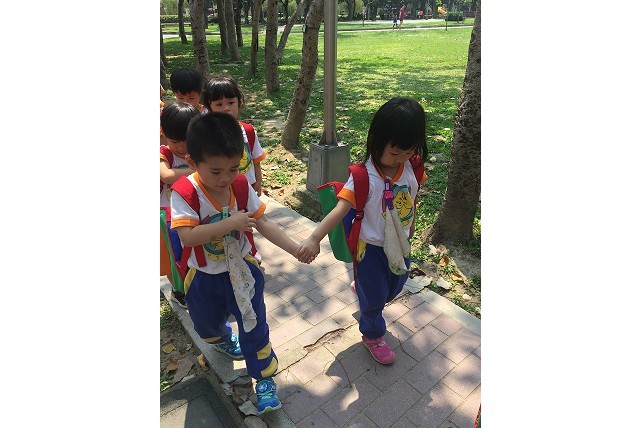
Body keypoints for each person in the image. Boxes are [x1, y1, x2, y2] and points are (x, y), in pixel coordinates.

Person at [170, 112, 314, 414]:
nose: (226, 178)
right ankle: (222, 338)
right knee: (206, 324)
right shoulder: (185, 193)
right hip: (203, 277)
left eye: (234, 168)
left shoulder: (239, 186)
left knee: (254, 325)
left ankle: (263, 379)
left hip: (243, 273)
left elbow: (263, 222)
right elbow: (188, 237)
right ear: (193, 163)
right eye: (216, 171)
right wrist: (231, 222)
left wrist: (294, 248)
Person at [298, 97, 428, 365]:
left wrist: (411, 223)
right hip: (370, 250)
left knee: (395, 285)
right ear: (377, 141)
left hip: (400, 245)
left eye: (408, 151)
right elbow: (339, 210)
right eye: (395, 153)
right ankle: (372, 335)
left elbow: (412, 195)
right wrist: (314, 238)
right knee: (375, 299)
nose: (401, 159)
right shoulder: (362, 177)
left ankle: (365, 288)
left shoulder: (412, 166)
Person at [202, 75, 267, 263]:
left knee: (250, 220)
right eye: (219, 104)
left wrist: (258, 182)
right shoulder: (207, 134)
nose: (226, 108)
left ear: (240, 102)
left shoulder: (247, 131)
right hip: (223, 188)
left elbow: (256, 158)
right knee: (228, 222)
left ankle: (250, 249)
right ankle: (228, 252)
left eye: (230, 102)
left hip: (245, 188)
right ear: (209, 107)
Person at [160, 101, 200, 308]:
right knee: (172, 255)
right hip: (167, 215)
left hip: (191, 211)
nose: (182, 147)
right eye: (175, 141)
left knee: (191, 252)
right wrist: (200, 170)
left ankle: (194, 284)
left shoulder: (199, 149)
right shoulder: (164, 153)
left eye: (186, 140)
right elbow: (166, 175)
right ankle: (178, 289)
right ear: (163, 134)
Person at [162, 68, 205, 146]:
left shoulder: (206, 114)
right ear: (174, 94)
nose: (186, 102)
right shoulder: (172, 115)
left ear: (200, 94)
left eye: (191, 98)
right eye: (181, 98)